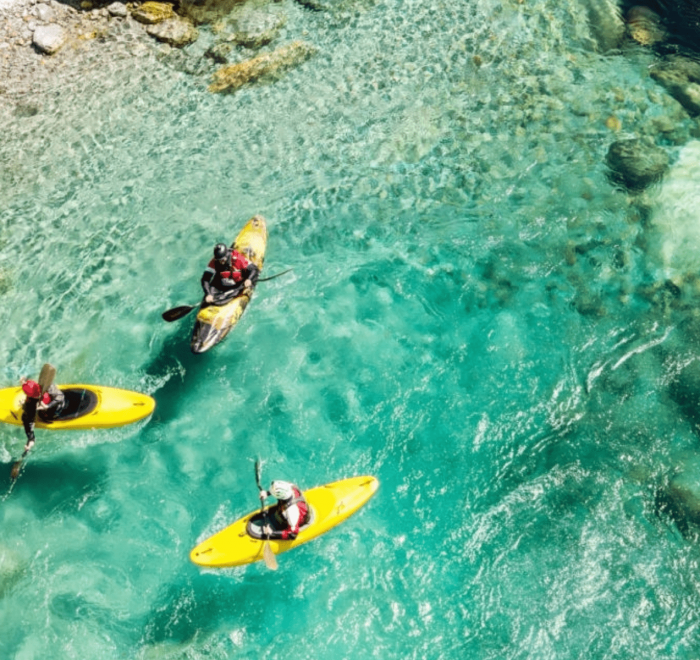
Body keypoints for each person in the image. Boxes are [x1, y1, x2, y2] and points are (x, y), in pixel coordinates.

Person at [19, 379, 65, 451]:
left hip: (52, 414)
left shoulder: (30, 407)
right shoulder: (47, 386)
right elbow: (61, 397)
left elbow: (29, 426)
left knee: (25, 418)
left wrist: (30, 442)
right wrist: (24, 383)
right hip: (60, 403)